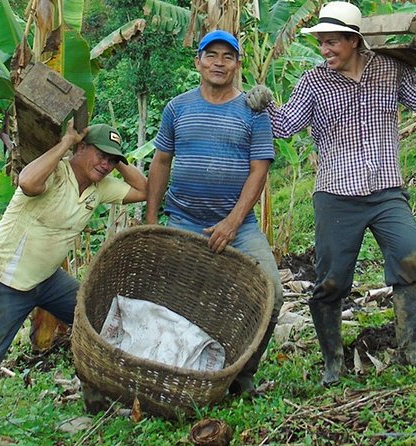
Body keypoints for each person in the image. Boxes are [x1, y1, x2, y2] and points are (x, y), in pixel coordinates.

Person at [246, 2, 416, 386]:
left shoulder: (390, 68)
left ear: (353, 40)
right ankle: (333, 361)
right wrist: (263, 104)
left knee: (410, 258)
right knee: (331, 281)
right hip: (336, 194)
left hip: (386, 190)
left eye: (332, 42)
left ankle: (411, 348)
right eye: (321, 43)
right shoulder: (313, 83)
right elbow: (285, 126)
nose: (325, 49)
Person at [0, 123, 147, 439]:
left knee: (94, 319)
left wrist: (116, 157)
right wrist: (66, 143)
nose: (106, 164)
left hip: (46, 279)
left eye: (112, 160)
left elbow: (144, 189)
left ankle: (96, 403)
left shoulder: (100, 187)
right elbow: (27, 181)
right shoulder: (55, 172)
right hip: (6, 279)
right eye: (100, 155)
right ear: (81, 149)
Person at [145, 30, 284, 394]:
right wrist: (151, 220)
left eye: (227, 56)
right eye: (211, 55)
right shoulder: (177, 108)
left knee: (272, 294)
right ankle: (178, 376)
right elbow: (161, 161)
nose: (218, 63)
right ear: (198, 62)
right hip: (184, 220)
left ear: (238, 64)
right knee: (175, 298)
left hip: (239, 226)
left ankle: (241, 376)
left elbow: (259, 170)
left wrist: (232, 221)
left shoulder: (252, 112)